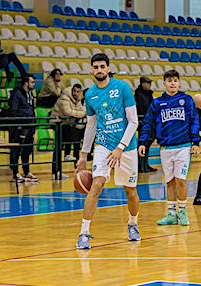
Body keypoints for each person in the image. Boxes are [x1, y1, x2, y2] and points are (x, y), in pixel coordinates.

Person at [75, 53, 141, 248]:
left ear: (108, 68)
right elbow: (91, 126)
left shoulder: (122, 88)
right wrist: (83, 155)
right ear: (91, 70)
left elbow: (134, 121)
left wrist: (120, 148)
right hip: (103, 145)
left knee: (130, 191)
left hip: (126, 146)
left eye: (102, 66)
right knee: (96, 185)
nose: (99, 70)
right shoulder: (90, 94)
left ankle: (133, 223)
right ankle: (84, 233)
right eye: (95, 67)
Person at [139, 70, 200, 226]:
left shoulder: (186, 100)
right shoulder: (157, 103)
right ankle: (171, 214)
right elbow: (147, 122)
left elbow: (194, 120)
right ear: (164, 83)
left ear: (179, 83)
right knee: (170, 181)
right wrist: (142, 142)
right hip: (165, 147)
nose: (172, 83)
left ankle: (182, 211)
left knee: (181, 180)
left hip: (183, 147)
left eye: (175, 80)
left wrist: (196, 142)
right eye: (169, 80)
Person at [8, 74, 39, 183]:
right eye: (32, 82)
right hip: (20, 127)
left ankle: (26, 172)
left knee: (27, 150)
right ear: (26, 83)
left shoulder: (30, 94)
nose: (33, 84)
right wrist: (18, 124)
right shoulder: (16, 94)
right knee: (16, 150)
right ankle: (15, 173)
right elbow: (13, 111)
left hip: (30, 126)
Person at [51, 83, 86, 177]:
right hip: (57, 122)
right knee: (58, 148)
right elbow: (68, 112)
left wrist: (79, 113)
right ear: (72, 90)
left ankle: (61, 167)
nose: (76, 93)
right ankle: (55, 171)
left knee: (74, 135)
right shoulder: (64, 97)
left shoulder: (77, 100)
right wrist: (80, 114)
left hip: (66, 124)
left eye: (78, 92)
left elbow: (82, 111)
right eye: (74, 91)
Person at [134, 76, 156, 173]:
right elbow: (140, 108)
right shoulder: (138, 95)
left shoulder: (148, 94)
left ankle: (145, 164)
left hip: (149, 121)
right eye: (148, 83)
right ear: (142, 83)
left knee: (148, 143)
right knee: (143, 143)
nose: (150, 85)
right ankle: (141, 165)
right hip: (143, 122)